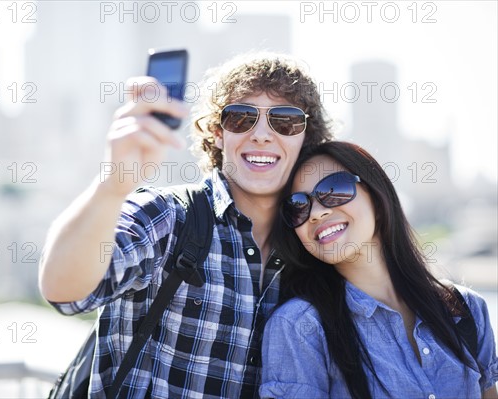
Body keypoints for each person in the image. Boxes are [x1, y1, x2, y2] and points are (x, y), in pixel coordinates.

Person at [39, 52, 333, 398]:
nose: (262, 135)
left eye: (284, 121)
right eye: (241, 118)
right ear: (217, 133)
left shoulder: (314, 247)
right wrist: (113, 185)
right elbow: (64, 290)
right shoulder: (168, 217)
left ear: (305, 139)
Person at [260, 141, 498, 398]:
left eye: (334, 189)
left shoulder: (466, 309)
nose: (316, 213)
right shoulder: (300, 327)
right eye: (298, 206)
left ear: (377, 197)